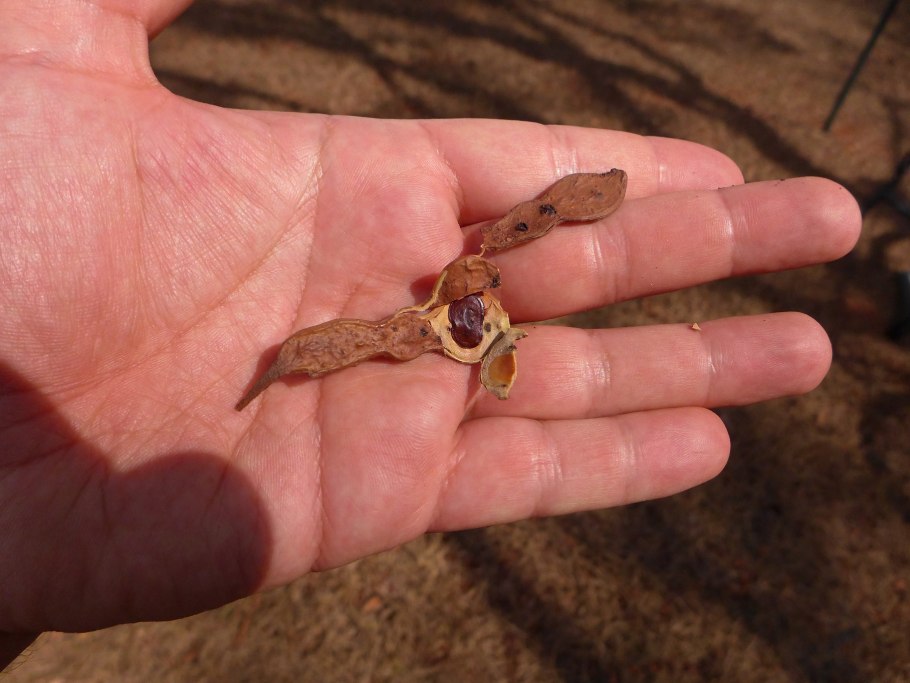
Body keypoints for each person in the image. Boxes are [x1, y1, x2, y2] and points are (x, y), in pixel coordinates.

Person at [0, 0, 861, 669]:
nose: (483, 280)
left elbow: (503, 293)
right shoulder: (446, 304)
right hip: (411, 334)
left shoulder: (479, 292)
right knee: (346, 344)